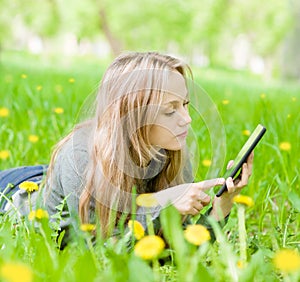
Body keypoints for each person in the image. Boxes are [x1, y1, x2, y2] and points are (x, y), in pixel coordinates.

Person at [0, 51, 253, 242]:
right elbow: (99, 248)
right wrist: (165, 208)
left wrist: (223, 205)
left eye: (184, 104)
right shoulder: (79, 158)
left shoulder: (170, 151)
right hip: (14, 192)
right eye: (170, 110)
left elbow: (179, 248)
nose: (186, 119)